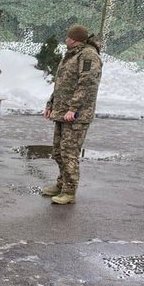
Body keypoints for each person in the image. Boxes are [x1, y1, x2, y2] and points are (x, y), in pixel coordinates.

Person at [43, 25, 103, 204]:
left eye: (68, 36)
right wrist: (51, 104)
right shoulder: (71, 55)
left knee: (69, 153)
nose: (65, 39)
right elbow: (61, 85)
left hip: (76, 115)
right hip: (62, 112)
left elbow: (87, 85)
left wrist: (74, 109)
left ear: (74, 38)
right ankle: (61, 184)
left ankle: (69, 191)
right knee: (58, 151)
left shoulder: (88, 56)